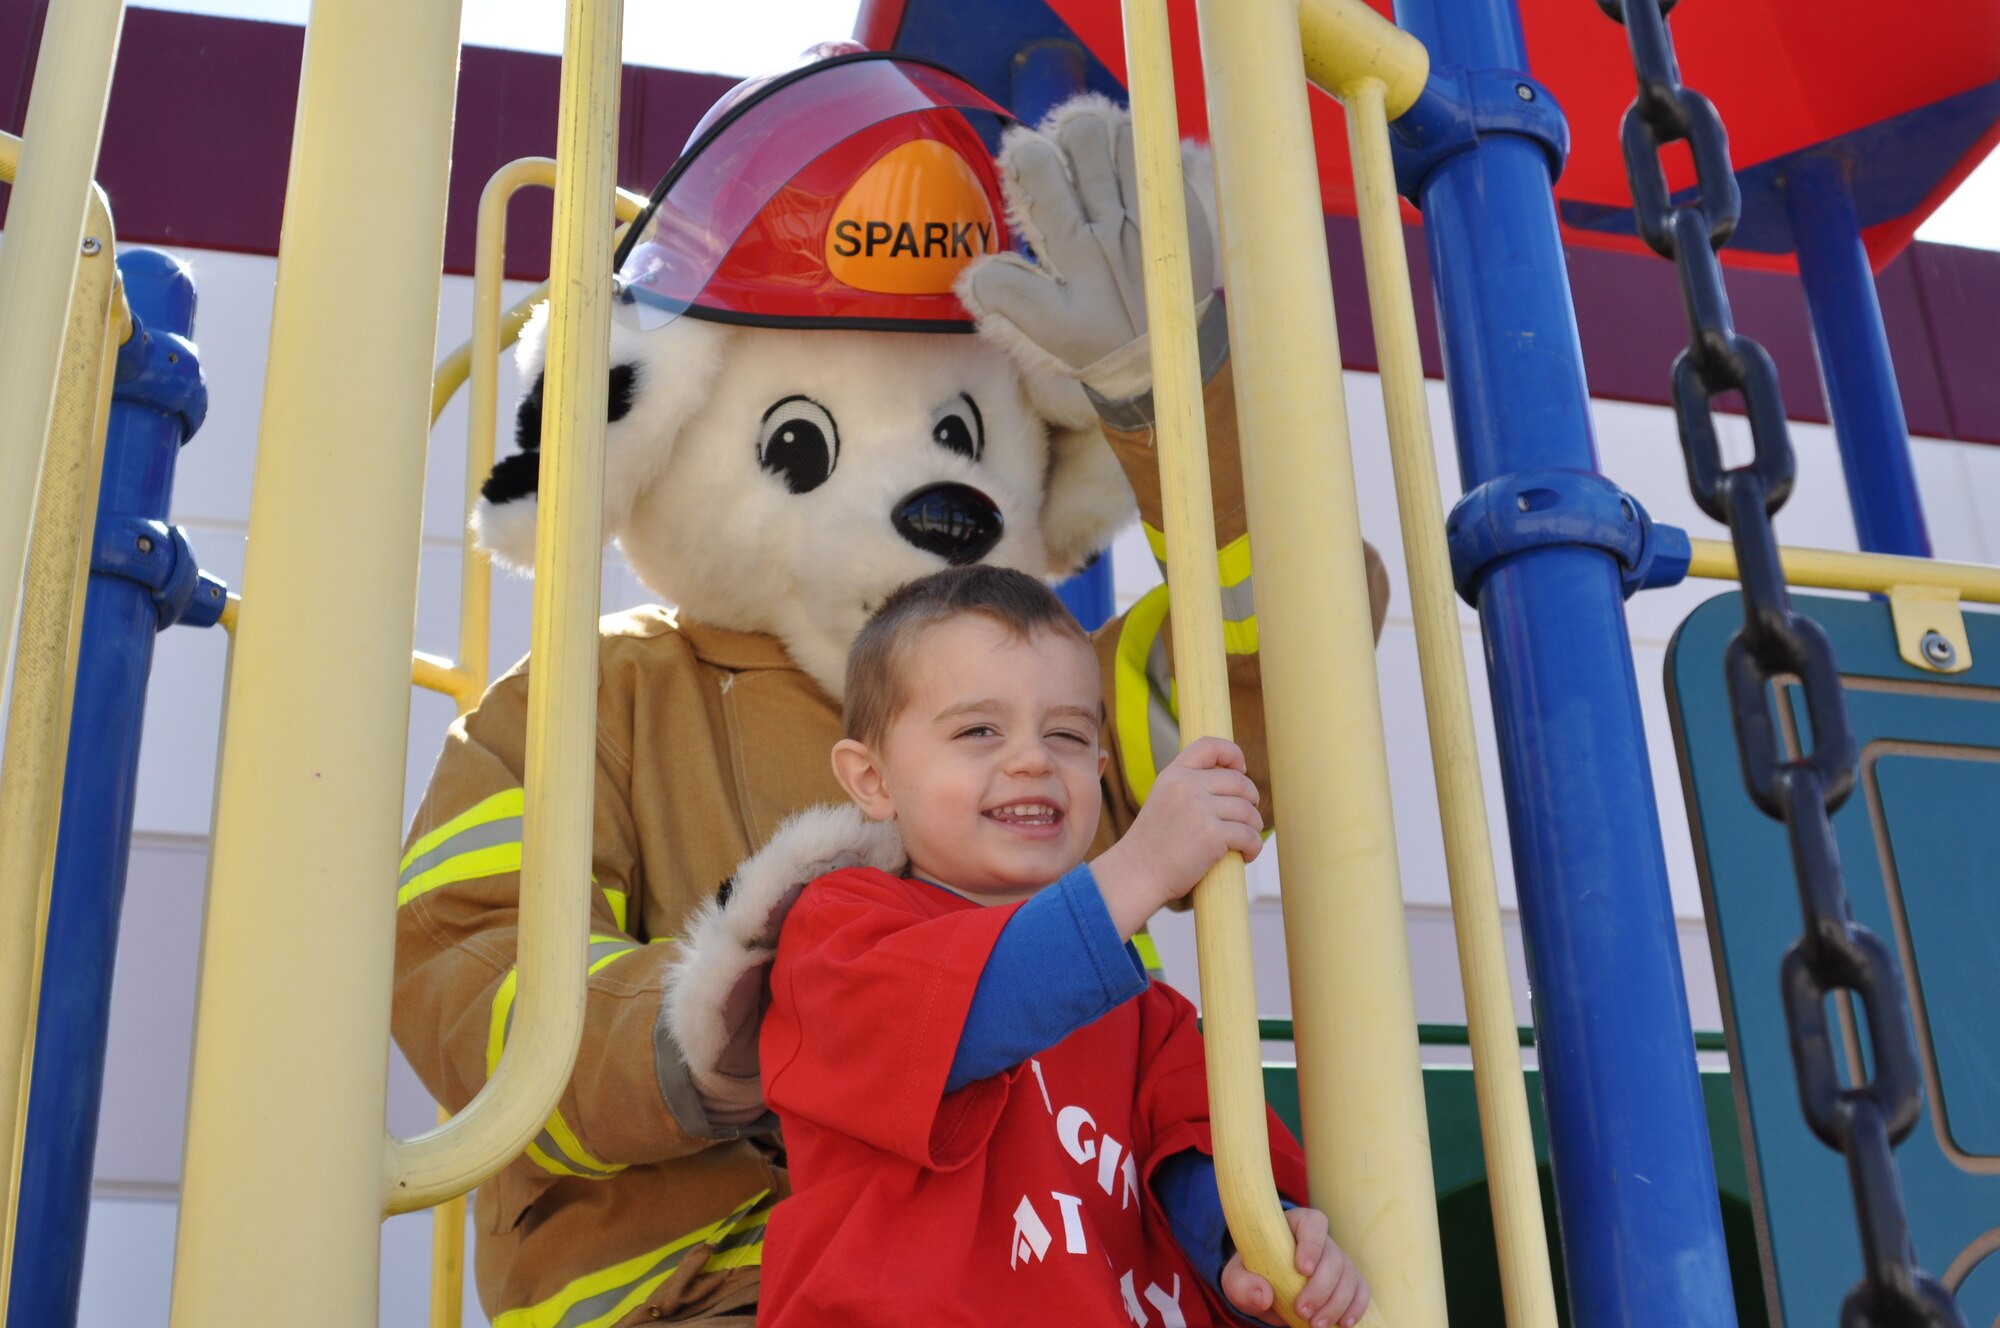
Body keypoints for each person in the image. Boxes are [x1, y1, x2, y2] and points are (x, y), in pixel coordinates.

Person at [754, 565, 1371, 1328]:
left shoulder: (1148, 1011)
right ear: (872, 779)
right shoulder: (840, 929)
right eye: (979, 730)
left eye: (1069, 735)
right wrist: (1141, 864)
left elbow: (1193, 1157)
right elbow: (970, 1011)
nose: (1032, 760)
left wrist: (1250, 1246)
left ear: (1098, 771)